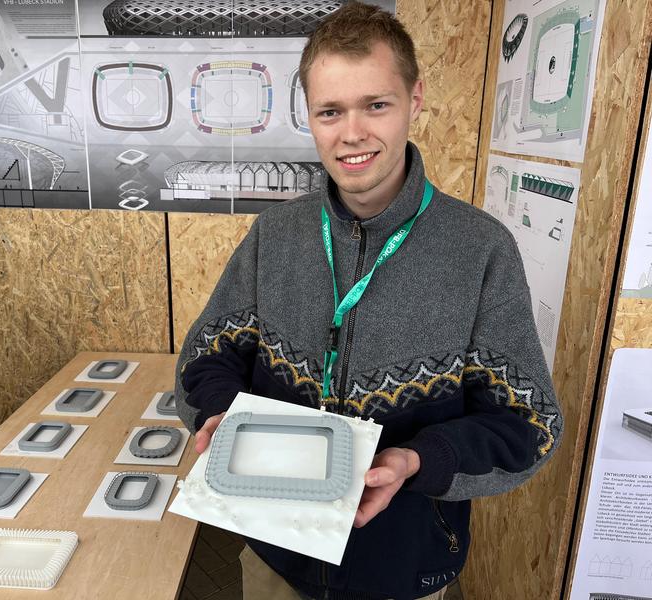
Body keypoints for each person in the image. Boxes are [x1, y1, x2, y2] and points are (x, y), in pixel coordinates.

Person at [174, 2, 562, 599]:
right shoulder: (274, 237)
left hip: (405, 572)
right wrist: (224, 416)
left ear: (415, 99)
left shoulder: (481, 249)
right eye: (331, 111)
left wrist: (417, 461)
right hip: (276, 559)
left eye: (375, 105)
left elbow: (527, 425)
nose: (352, 133)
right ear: (310, 117)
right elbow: (206, 359)